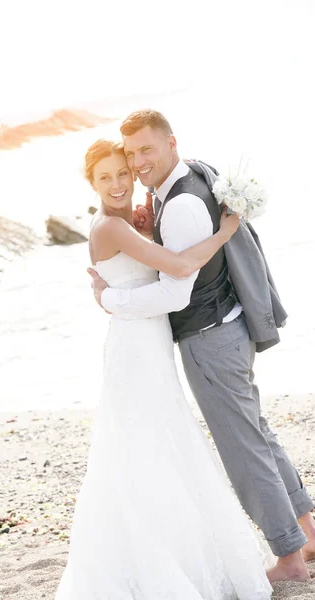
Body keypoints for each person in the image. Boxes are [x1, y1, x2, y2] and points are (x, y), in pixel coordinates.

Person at [88, 109, 315, 584]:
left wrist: (111, 297)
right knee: (256, 434)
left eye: (145, 150)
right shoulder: (182, 182)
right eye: (131, 155)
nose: (138, 162)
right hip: (222, 331)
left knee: (243, 449)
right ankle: (305, 533)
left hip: (210, 339)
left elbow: (176, 290)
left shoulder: (183, 204)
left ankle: (291, 558)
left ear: (172, 143)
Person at [55, 139, 273, 599]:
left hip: (150, 345)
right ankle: (155, 561)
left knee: (160, 446)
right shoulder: (110, 228)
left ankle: (174, 552)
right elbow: (177, 266)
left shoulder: (125, 222)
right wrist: (226, 230)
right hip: (136, 351)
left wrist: (145, 236)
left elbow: (143, 264)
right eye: (104, 177)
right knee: (146, 451)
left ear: (133, 174)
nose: (116, 184)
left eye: (122, 173)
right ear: (90, 183)